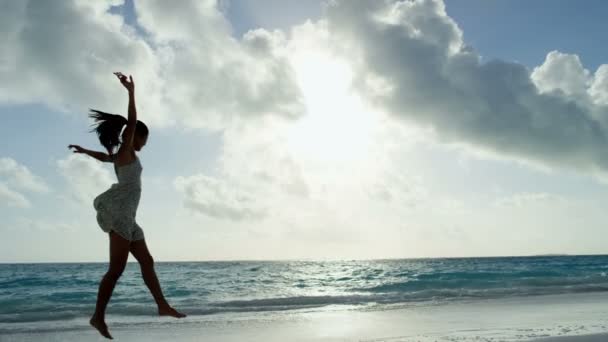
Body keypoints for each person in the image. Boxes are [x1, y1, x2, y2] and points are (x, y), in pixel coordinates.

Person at [68, 72, 185, 339]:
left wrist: (86, 152)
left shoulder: (121, 155)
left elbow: (103, 157)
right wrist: (131, 92)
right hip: (120, 212)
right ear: (135, 137)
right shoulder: (127, 149)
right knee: (117, 268)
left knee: (147, 261)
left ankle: (162, 305)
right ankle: (98, 317)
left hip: (130, 217)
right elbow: (131, 121)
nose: (145, 142)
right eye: (144, 137)